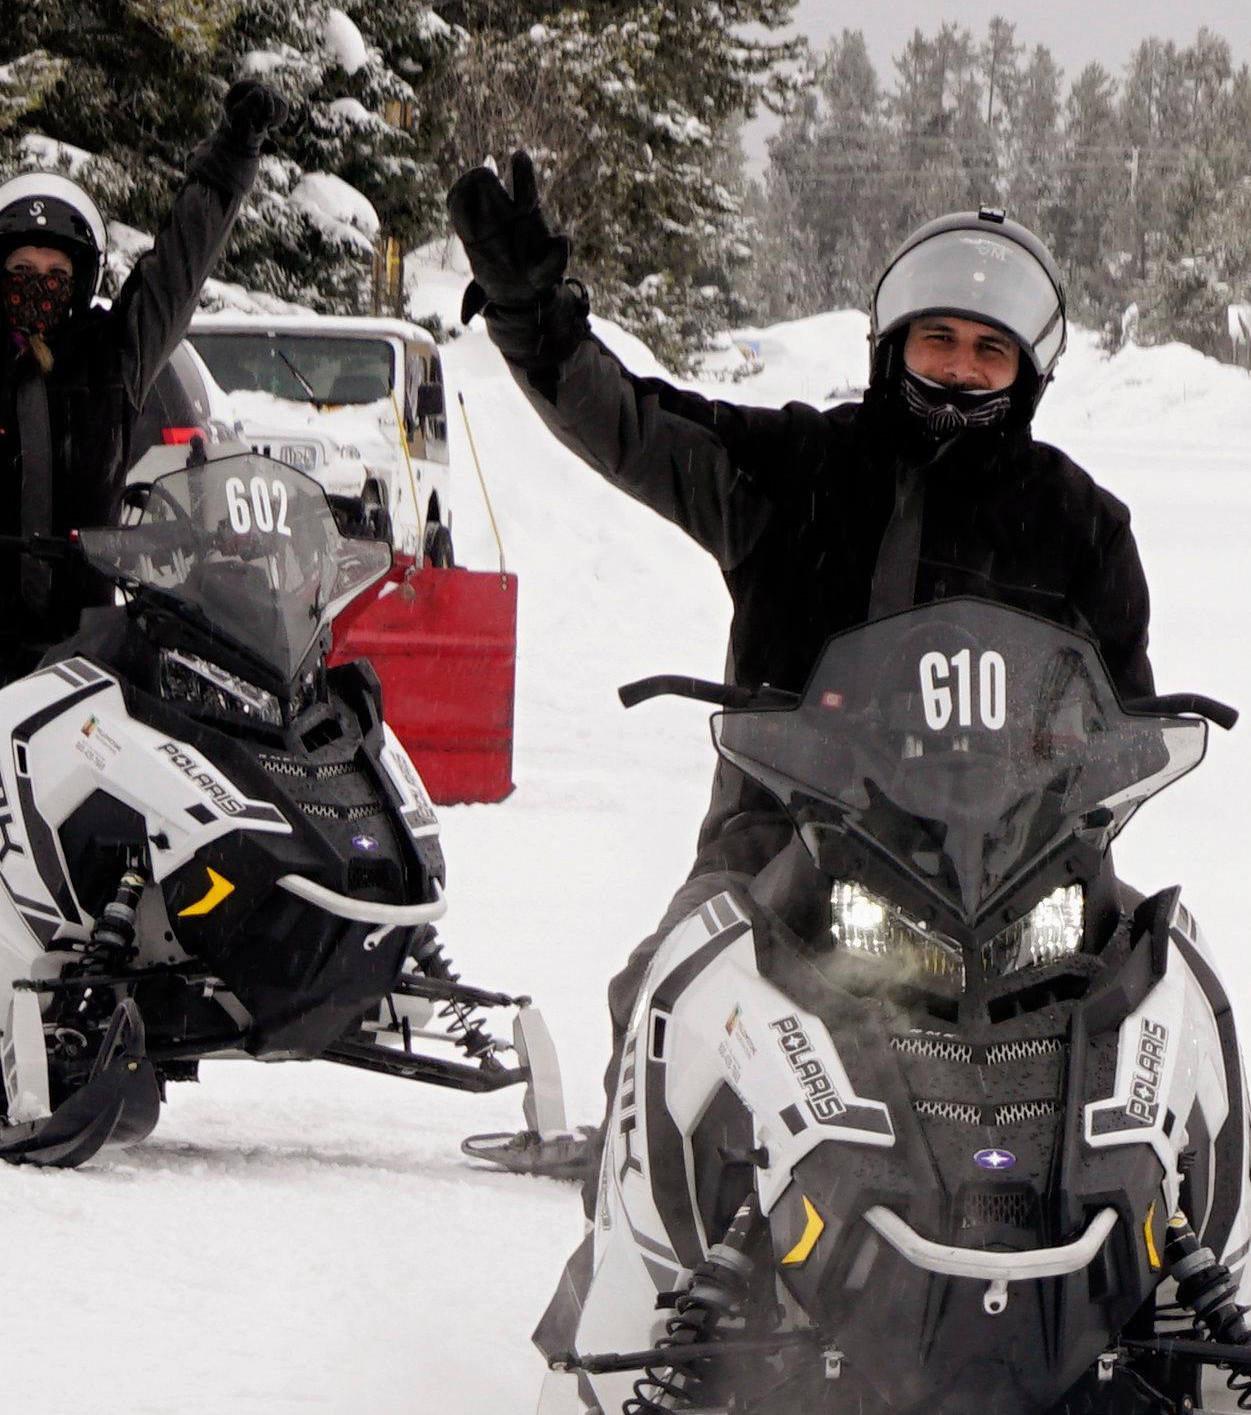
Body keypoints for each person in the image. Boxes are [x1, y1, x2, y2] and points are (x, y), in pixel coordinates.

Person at [455, 165, 1152, 881]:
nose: (958, 367)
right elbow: (634, 428)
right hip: (787, 843)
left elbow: (1123, 723)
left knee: (1154, 963)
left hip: (1006, 868)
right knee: (677, 980)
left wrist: (1079, 782)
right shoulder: (798, 469)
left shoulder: (1080, 525)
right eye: (938, 337)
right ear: (894, 346)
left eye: (989, 349)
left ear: (1026, 371)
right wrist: (534, 315)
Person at [4, 20, 295, 678]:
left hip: (86, 659)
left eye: (55, 278)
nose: (38, 291)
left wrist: (231, 158)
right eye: (22, 275)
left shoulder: (113, 355)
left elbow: (177, 271)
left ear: (81, 283)